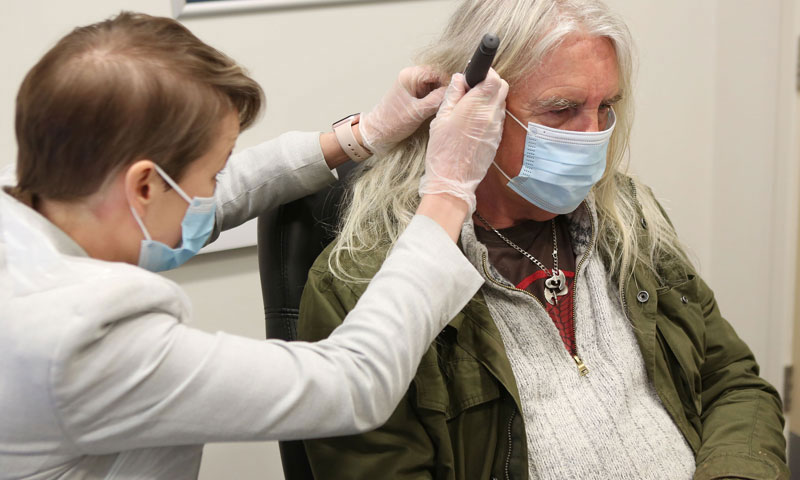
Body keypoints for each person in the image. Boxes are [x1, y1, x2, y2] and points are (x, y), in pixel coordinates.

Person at [0, 11, 510, 480]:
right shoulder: (79, 341)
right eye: (213, 171)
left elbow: (209, 195)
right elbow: (352, 385)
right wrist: (447, 192)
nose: (213, 191)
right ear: (144, 187)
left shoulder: (38, 200)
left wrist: (364, 134)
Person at [296, 0, 789, 479]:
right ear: (472, 110)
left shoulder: (628, 217)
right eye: (562, 109)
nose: (592, 134)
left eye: (606, 107)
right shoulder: (365, 283)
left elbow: (732, 384)